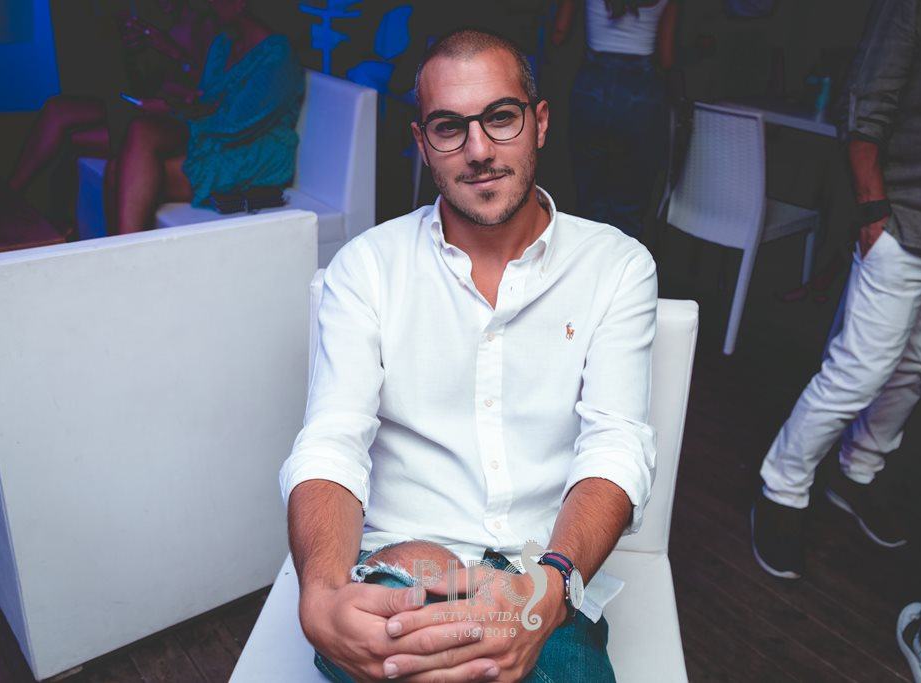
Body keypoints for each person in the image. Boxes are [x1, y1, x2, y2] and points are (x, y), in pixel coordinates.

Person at [280, 28, 659, 683]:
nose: (479, 150)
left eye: (501, 117)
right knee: (387, 647)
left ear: (540, 122)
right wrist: (318, 591)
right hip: (398, 565)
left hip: (544, 576)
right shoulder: (367, 267)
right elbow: (331, 440)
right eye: (450, 127)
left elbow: (615, 445)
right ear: (422, 141)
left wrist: (551, 584)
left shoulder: (617, 266)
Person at [751, 0, 921, 581]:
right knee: (858, 373)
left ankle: (857, 473)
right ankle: (781, 488)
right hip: (907, 226)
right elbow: (866, 102)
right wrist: (872, 210)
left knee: (916, 370)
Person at [6, 0, 214, 235]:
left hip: (176, 121)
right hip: (147, 108)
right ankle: (8, 197)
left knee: (73, 139)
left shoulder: (205, 24)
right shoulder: (160, 22)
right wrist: (135, 54)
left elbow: (210, 91)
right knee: (58, 109)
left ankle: (67, 226)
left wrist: (171, 51)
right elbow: (149, 84)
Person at [108, 0, 304, 233]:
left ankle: (124, 252)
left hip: (252, 153)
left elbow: (235, 125)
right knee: (129, 148)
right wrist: (180, 101)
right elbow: (208, 99)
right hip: (217, 139)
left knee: (129, 155)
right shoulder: (225, 43)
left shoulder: (277, 54)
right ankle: (121, 250)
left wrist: (173, 110)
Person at [551, 0, 678, 239]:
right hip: (640, 95)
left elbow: (559, 32)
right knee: (630, 200)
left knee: (589, 197)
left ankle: (589, 258)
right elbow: (666, 58)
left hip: (592, 88)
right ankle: (624, 259)